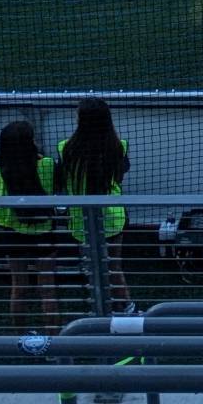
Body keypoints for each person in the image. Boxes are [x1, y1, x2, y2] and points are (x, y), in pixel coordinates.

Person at [0, 118, 58, 329]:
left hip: (11, 236)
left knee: (19, 286)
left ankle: (22, 337)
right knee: (47, 288)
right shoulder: (48, 165)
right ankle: (55, 346)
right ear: (31, 144)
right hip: (44, 234)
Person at [54, 97, 131, 313]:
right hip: (113, 218)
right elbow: (120, 176)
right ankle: (127, 312)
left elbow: (60, 180)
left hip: (82, 221)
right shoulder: (119, 146)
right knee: (114, 267)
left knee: (93, 269)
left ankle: (100, 311)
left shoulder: (65, 148)